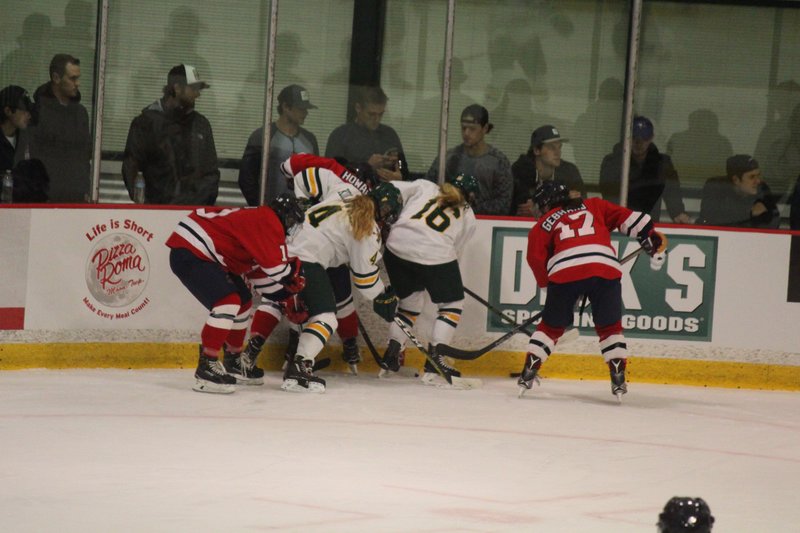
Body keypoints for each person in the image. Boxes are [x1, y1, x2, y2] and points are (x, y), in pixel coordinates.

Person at [518, 180, 667, 400]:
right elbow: (634, 220)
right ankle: (618, 377)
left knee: (550, 328)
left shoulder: (542, 225)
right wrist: (650, 238)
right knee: (610, 328)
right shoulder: (594, 205)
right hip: (605, 268)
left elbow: (535, 257)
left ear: (547, 203)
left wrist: (550, 288)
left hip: (564, 272)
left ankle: (528, 372)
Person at [235, 154, 377, 379]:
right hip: (319, 253)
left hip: (293, 241)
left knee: (278, 298)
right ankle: (342, 347)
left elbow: (300, 173)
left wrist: (304, 201)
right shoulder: (358, 198)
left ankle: (253, 351)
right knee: (334, 303)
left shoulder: (336, 185)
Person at [165, 196, 306, 394]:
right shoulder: (268, 220)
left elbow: (261, 276)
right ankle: (207, 365)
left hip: (203, 252)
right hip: (191, 251)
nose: (291, 228)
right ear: (284, 216)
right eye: (292, 222)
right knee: (227, 301)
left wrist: (285, 298)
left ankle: (233, 361)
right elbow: (277, 269)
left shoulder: (261, 229)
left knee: (244, 301)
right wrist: (292, 278)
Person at [280, 183, 403, 393]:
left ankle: (294, 359)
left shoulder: (343, 197)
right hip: (306, 260)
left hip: (281, 250)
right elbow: (365, 279)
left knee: (306, 312)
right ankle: (300, 365)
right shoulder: (367, 227)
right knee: (326, 317)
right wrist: (383, 298)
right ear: (386, 212)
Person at [380, 174, 478, 385]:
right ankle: (436, 361)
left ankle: (391, 355)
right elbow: (454, 251)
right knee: (452, 304)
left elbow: (390, 189)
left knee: (409, 304)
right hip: (435, 254)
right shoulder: (468, 215)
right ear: (470, 196)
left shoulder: (425, 186)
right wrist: (435, 274)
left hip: (396, 247)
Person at [122, 64, 219, 205]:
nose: (198, 94)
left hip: (193, 215)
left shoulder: (201, 124)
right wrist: (145, 207)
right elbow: (131, 167)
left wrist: (195, 203)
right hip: (155, 214)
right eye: (193, 88)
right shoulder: (146, 123)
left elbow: (211, 174)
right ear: (177, 88)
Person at [238, 84, 320, 206]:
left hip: (303, 215)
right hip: (269, 212)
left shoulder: (310, 140)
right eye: (301, 108)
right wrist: (260, 206)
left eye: (306, 109)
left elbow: (317, 177)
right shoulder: (263, 136)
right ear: (286, 107)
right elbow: (246, 178)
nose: (305, 113)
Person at [599, 116, 691, 224]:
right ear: (627, 137)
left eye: (644, 138)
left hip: (649, 223)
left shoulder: (662, 163)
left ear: (651, 137)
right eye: (635, 138)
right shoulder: (612, 161)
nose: (639, 143)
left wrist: (677, 212)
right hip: (619, 223)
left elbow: (671, 191)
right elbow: (608, 191)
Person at [424, 104, 512, 216]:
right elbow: (427, 189)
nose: (466, 133)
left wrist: (469, 207)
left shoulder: (499, 162)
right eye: (463, 128)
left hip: (484, 224)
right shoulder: (448, 158)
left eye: (472, 129)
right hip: (448, 219)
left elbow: (503, 205)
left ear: (485, 128)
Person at [26, 53, 91, 203]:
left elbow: (85, 155)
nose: (78, 83)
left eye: (78, 78)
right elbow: (31, 155)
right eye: (72, 78)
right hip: (46, 197)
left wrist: (85, 188)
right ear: (56, 78)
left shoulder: (81, 113)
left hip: (76, 196)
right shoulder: (37, 112)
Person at [325, 85, 410, 181]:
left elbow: (402, 166)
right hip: (351, 192)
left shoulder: (390, 135)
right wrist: (366, 166)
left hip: (386, 191)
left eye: (380, 114)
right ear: (358, 108)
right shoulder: (340, 136)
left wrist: (399, 175)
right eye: (371, 114)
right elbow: (331, 172)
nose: (376, 119)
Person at [511, 125, 585, 217]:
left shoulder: (570, 172)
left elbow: (583, 206)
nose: (558, 152)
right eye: (552, 147)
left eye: (559, 147)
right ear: (537, 150)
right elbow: (516, 208)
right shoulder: (521, 171)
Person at [696, 155, 779, 228]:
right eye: (752, 177)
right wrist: (749, 212)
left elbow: (774, 221)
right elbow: (710, 217)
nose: (758, 181)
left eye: (758, 175)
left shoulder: (762, 188)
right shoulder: (715, 186)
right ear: (736, 180)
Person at [1, 85, 48, 202]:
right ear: (8, 111)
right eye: (24, 111)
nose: (29, 115)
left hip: (22, 211)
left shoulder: (27, 139)